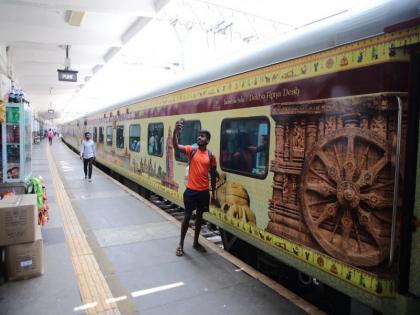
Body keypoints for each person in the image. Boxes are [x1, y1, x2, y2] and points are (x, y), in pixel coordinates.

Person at [173, 120, 217, 257]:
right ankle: (180, 244)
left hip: (203, 192)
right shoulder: (191, 150)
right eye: (199, 135)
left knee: (199, 217)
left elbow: (214, 175)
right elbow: (175, 146)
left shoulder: (211, 155)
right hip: (191, 191)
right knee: (186, 217)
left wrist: (213, 193)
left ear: (208, 140)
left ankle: (195, 242)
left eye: (203, 136)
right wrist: (175, 132)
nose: (199, 137)